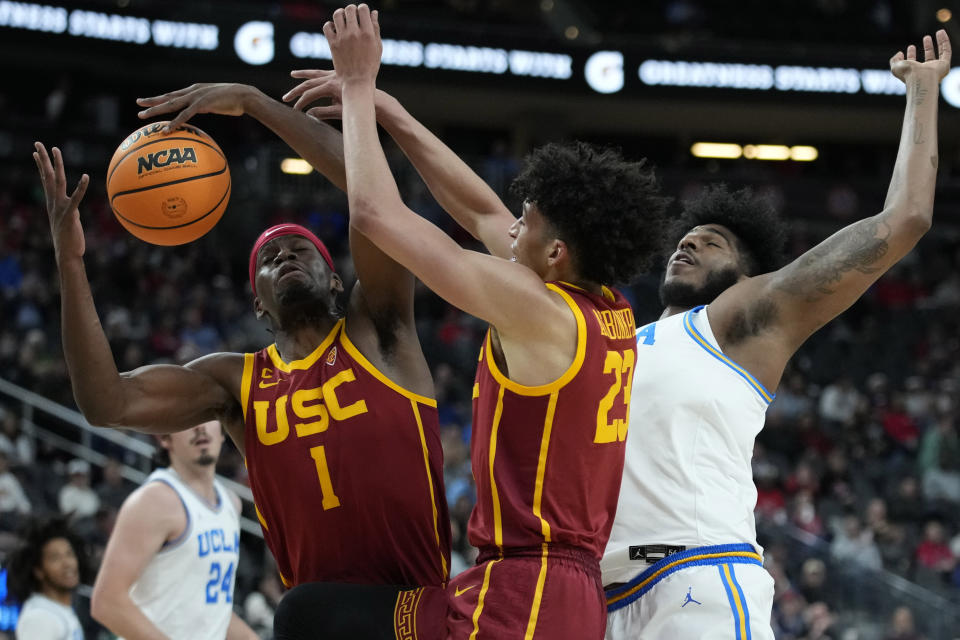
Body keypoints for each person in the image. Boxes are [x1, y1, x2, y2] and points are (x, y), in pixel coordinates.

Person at [32, 54, 450, 639]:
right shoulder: (234, 383)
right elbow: (106, 403)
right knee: (300, 613)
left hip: (415, 607)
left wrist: (255, 102)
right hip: (318, 617)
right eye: (267, 260)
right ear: (258, 305)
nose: (283, 256)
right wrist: (71, 263)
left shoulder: (379, 326)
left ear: (336, 280)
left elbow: (370, 189)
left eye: (301, 249)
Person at [320, 5, 668, 637]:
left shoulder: (538, 310)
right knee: (316, 615)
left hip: (525, 597)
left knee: (317, 618)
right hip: (549, 589)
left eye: (527, 222)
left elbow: (376, 216)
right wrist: (391, 113)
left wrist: (356, 86)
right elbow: (479, 209)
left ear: (556, 253)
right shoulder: (606, 305)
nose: (512, 229)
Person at [599, 31, 950, 639]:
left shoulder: (738, 318)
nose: (688, 243)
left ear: (747, 277)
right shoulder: (620, 336)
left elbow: (906, 218)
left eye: (712, 243)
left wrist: (922, 91)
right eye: (686, 238)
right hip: (605, 594)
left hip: (696, 579)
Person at [90, 420, 257, 640]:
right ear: (164, 438)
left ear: (222, 431)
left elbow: (213, 611)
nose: (200, 428)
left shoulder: (231, 503)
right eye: (189, 420)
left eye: (207, 417)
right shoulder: (154, 500)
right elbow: (107, 602)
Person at [6, 516, 88, 640]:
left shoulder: (58, 609)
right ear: (38, 570)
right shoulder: (40, 617)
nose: (67, 563)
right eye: (55, 558)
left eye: (69, 554)